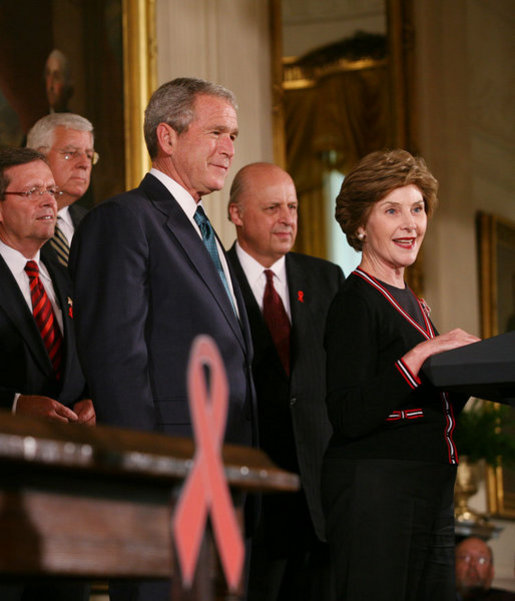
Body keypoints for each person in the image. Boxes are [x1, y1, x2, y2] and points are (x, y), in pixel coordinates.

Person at [69, 77, 255, 601]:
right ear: (167, 137)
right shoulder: (124, 219)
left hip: (223, 478)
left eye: (234, 135)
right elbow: (115, 359)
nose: (230, 148)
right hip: (168, 482)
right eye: (216, 131)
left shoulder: (206, 232)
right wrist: (147, 476)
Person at [321, 149, 480, 601]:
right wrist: (419, 357)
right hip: (378, 492)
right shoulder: (355, 301)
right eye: (392, 210)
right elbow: (348, 413)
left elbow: (427, 405)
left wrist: (471, 371)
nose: (410, 223)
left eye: (417, 208)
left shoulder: (418, 306)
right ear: (359, 225)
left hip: (429, 488)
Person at [227, 162, 343, 600]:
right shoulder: (211, 277)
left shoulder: (326, 278)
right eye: (273, 207)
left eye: (292, 206)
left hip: (317, 505)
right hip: (248, 503)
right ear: (236, 213)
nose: (288, 218)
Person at [0, 146, 94, 601]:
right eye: (32, 191)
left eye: (51, 191)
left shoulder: (67, 272)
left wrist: (97, 398)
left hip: (67, 494)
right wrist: (16, 405)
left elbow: (90, 356)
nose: (48, 201)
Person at [26, 112, 97, 266]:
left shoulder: (93, 223)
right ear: (38, 157)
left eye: (89, 156)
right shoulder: (13, 219)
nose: (84, 164)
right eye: (71, 153)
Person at [44, 49, 73, 114]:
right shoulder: (39, 120)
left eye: (56, 77)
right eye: (48, 74)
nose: (50, 86)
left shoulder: (74, 123)